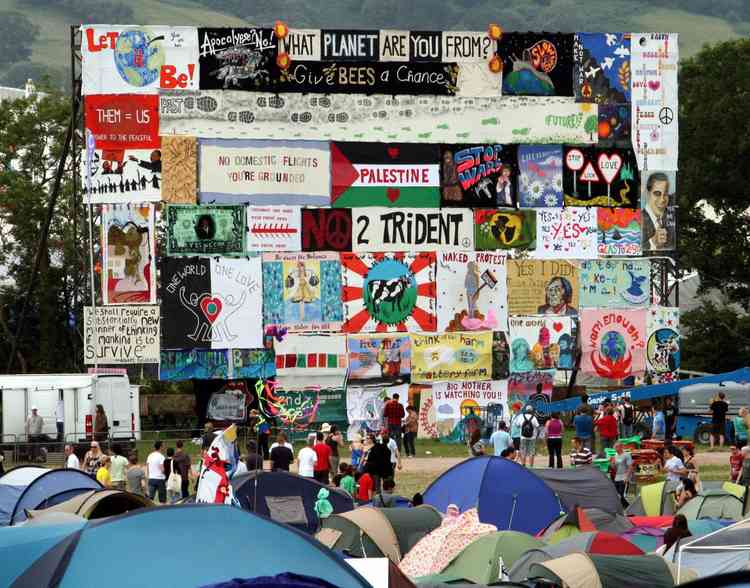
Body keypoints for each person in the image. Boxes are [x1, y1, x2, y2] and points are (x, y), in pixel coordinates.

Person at [642, 172, 674, 250]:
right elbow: (631, 249)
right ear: (647, 194)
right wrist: (653, 242)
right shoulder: (637, 220)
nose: (662, 199)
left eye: (666, 194)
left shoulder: (670, 220)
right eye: (657, 193)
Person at [611, 443, 633, 508]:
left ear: (621, 447)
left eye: (616, 447)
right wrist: (612, 464)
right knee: (617, 495)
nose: (615, 449)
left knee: (622, 494)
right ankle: (624, 508)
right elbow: (615, 468)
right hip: (617, 477)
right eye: (615, 447)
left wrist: (627, 477)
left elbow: (630, 467)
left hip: (624, 477)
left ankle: (628, 508)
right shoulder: (615, 455)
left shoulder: (627, 455)